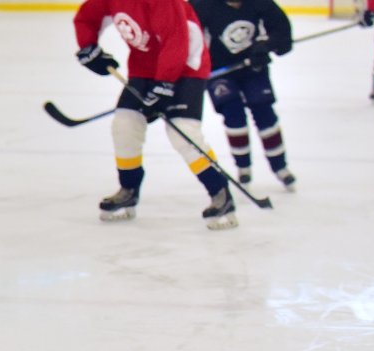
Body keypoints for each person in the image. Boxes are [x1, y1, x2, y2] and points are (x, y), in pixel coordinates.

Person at [74, 0, 240, 230]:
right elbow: (86, 18)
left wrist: (164, 84)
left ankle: (219, 191)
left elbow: (176, 39)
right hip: (145, 68)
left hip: (186, 65)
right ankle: (128, 189)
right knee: (125, 124)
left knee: (182, 132)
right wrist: (88, 46)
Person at [191, 0, 298, 190]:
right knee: (233, 114)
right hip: (218, 72)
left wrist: (266, 45)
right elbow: (188, 37)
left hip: (253, 68)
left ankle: (280, 167)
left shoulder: (259, 3)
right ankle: (243, 167)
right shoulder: (202, 5)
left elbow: (282, 32)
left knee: (264, 112)